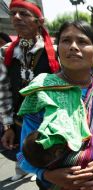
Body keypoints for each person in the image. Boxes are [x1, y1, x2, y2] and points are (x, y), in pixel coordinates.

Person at [17, 20, 93, 190]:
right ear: (58, 49)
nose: (73, 47)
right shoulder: (41, 91)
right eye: (66, 40)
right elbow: (25, 152)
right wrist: (48, 175)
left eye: (82, 41)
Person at [0, 0, 60, 181]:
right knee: (23, 155)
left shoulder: (56, 52)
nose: (16, 17)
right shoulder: (5, 52)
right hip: (20, 122)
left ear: (38, 21)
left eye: (24, 14)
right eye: (13, 14)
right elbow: (3, 92)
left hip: (50, 122)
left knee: (53, 169)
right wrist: (7, 126)